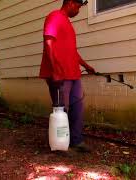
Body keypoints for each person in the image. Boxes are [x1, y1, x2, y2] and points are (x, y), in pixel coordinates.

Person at [39, 0, 95, 153]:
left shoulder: (68, 24)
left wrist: (85, 65)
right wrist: (55, 70)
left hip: (73, 74)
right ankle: (61, 146)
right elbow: (48, 42)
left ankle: (76, 141)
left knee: (77, 108)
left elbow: (72, 51)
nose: (78, 10)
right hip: (60, 75)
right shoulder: (55, 17)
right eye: (78, 6)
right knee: (62, 111)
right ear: (70, 2)